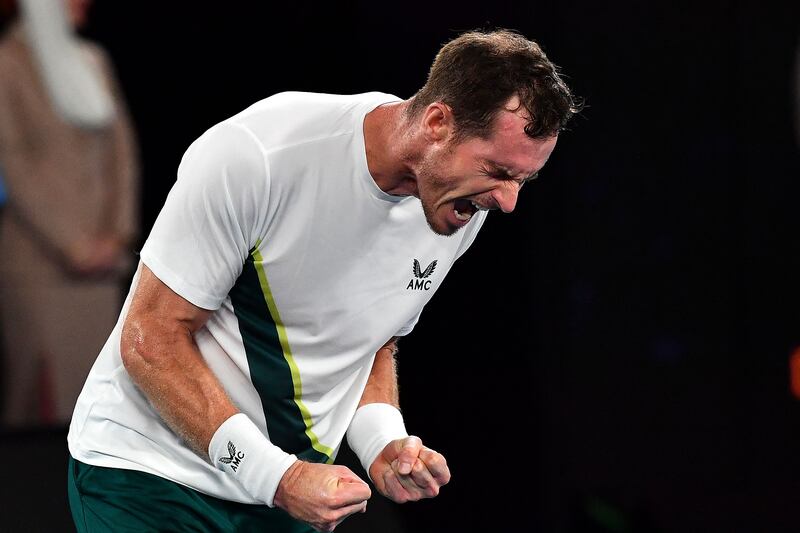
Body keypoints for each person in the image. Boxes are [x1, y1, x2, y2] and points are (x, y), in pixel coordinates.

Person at [67, 29, 580, 532]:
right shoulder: (260, 155)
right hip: (147, 474)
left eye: (521, 180)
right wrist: (276, 476)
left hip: (280, 489)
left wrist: (383, 441)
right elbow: (150, 338)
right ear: (438, 122)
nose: (509, 202)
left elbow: (372, 342)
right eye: (497, 170)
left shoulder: (458, 203)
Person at [0, 0, 139, 427]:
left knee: (95, 394)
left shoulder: (91, 60)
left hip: (100, 263)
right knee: (43, 396)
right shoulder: (7, 63)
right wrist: (71, 243)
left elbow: (122, 152)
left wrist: (117, 234)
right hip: (40, 262)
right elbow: (12, 162)